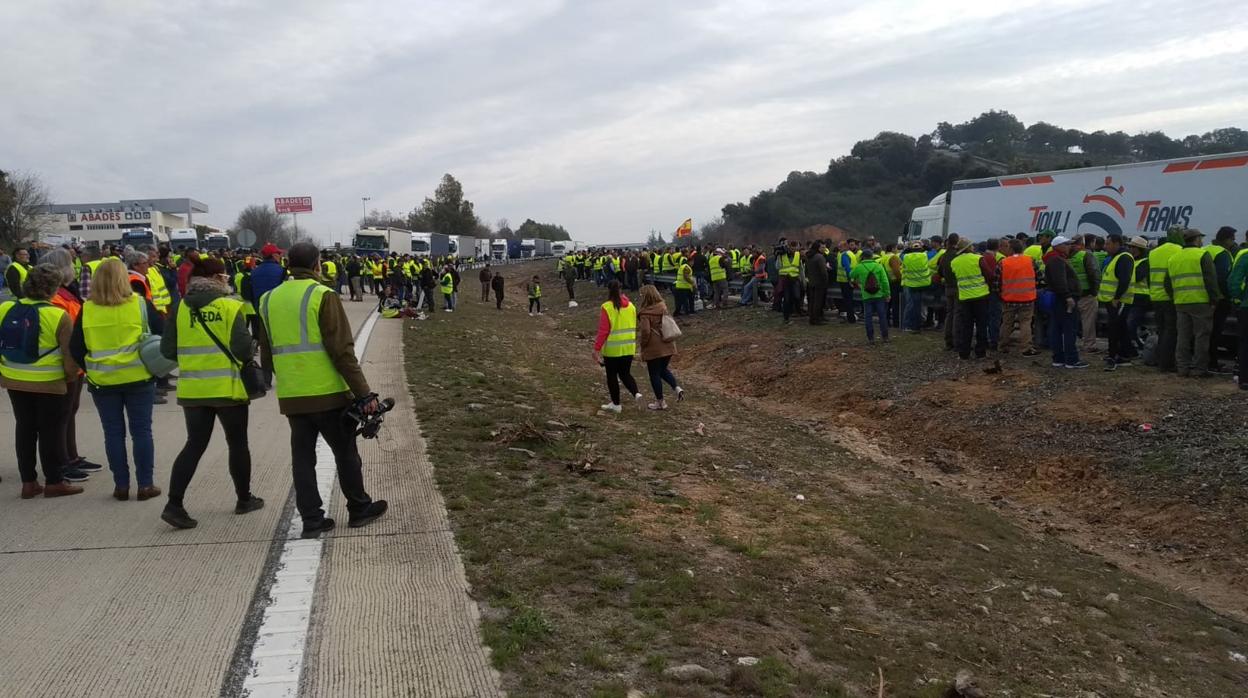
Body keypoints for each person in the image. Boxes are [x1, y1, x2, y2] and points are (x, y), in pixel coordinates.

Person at [258, 242, 387, 539]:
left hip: (293, 395)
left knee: (302, 459)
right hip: (328, 393)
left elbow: (266, 353)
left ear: (288, 264)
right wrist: (363, 393)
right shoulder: (323, 295)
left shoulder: (267, 300)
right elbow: (342, 351)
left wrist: (288, 379)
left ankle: (312, 520)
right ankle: (358, 508)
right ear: (317, 265)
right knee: (345, 453)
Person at [158, 257, 264, 529]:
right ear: (218, 278)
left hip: (193, 389)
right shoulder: (229, 307)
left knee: (194, 445)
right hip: (227, 389)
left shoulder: (181, 308)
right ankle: (244, 499)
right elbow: (242, 349)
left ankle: (174, 503)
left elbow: (168, 351)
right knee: (237, 443)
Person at [70, 258, 164, 500]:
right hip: (139, 378)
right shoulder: (141, 304)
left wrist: (91, 369)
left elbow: (76, 347)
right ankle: (145, 485)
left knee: (113, 434)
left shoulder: (87, 309)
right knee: (142, 431)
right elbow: (161, 335)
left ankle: (121, 486)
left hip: (103, 381)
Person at [2, 264, 84, 498]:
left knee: (25, 428)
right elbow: (70, 357)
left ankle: (28, 482)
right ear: (54, 289)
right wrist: (70, 379)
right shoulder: (58, 315)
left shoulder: (6, 308)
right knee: (52, 431)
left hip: (15, 379)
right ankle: (54, 481)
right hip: (50, 382)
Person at [40, 249, 100, 481]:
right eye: (69, 264)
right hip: (65, 363)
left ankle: (72, 456)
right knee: (62, 414)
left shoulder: (67, 293)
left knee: (70, 410)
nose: (74, 268)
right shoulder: (57, 298)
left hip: (75, 361)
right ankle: (63, 460)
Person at [1166, 228, 1219, 378]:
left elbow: (1167, 283)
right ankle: (1199, 369)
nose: (1201, 241)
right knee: (1201, 336)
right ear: (1196, 239)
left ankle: (1182, 368)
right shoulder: (1202, 254)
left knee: (1183, 336)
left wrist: (1175, 296)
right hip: (1200, 302)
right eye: (1200, 238)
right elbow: (1210, 279)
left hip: (1181, 303)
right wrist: (1214, 299)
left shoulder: (1174, 258)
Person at [593, 280, 641, 413]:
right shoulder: (631, 306)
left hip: (612, 350)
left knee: (612, 376)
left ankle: (616, 404)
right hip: (629, 347)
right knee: (625, 373)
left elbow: (603, 331)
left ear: (609, 290)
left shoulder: (607, 307)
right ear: (621, 290)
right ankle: (636, 393)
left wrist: (596, 349)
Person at [636, 284, 684, 410]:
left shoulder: (645, 313)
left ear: (645, 296)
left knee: (654, 374)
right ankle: (677, 388)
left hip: (654, 347)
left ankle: (660, 401)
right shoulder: (663, 307)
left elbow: (646, 331)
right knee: (663, 370)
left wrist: (643, 344)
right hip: (668, 344)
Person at [1044, 236, 1086, 369]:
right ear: (1060, 246)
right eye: (1067, 244)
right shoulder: (1057, 260)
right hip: (1064, 299)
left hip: (1059, 298)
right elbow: (1060, 281)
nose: (1070, 247)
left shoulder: (1054, 258)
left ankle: (1059, 358)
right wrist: (1068, 297)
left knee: (1057, 328)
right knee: (1068, 329)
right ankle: (1071, 360)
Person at [1147, 228, 1184, 372]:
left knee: (1162, 330)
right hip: (1170, 297)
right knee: (1171, 331)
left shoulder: (1154, 252)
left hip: (1155, 296)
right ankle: (1167, 364)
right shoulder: (1179, 250)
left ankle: (1160, 360)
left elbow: (1150, 276)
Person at [1098, 234, 1136, 370]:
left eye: (1108, 244)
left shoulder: (1124, 258)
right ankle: (1125, 355)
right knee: (1121, 327)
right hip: (1113, 300)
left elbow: (1124, 280)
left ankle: (1113, 357)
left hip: (1119, 300)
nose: (1105, 247)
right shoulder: (1116, 257)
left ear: (1117, 243)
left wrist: (1117, 297)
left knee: (1114, 328)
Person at [949, 239, 990, 359]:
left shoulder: (954, 262)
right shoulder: (978, 258)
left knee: (966, 326)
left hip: (964, 297)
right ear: (968, 247)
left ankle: (964, 352)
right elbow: (988, 274)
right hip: (980, 296)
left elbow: (954, 277)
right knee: (981, 324)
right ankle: (980, 351)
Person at [997, 240, 1037, 356]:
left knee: (1006, 323)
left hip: (1008, 299)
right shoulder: (1030, 261)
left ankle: (1003, 346)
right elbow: (1039, 276)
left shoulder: (1003, 262)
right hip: (1027, 298)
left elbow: (996, 281)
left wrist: (1000, 294)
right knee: (1025, 323)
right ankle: (1026, 348)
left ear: (1011, 249)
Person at [1206, 226, 1236, 372]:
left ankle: (1205, 360)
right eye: (1232, 239)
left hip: (1203, 297)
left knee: (1205, 332)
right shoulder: (1223, 254)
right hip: (1219, 299)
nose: (1234, 243)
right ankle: (1213, 362)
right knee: (1216, 331)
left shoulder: (1205, 249)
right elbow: (1223, 278)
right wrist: (1227, 296)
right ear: (1225, 239)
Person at [851, 249, 890, 344]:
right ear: (872, 256)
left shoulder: (859, 267)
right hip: (879, 295)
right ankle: (885, 337)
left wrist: (857, 281)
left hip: (866, 296)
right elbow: (885, 281)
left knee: (868, 317)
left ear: (863, 257)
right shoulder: (879, 266)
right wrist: (887, 294)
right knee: (882, 316)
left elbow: (851, 275)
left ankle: (871, 338)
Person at [1226, 241, 1248, 390]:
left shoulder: (1245, 256)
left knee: (1245, 342)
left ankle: (1245, 379)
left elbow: (1234, 280)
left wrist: (1238, 299)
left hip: (1246, 306)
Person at [900, 241, 930, 332]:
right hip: (923, 284)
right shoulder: (924, 255)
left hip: (911, 284)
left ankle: (909, 325)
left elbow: (901, 254)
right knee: (920, 306)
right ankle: (918, 325)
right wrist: (924, 245)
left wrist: (908, 248)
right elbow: (932, 251)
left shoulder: (906, 257)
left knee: (912, 305)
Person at [778, 239, 802, 325]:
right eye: (792, 248)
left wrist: (802, 279)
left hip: (795, 279)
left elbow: (800, 268)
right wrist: (778, 255)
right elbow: (777, 266)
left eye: (795, 248)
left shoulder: (798, 255)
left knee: (796, 297)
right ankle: (786, 317)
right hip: (785, 279)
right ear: (789, 247)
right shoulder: (782, 255)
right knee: (787, 299)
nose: (794, 250)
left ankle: (795, 312)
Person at [804, 241, 828, 325]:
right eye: (822, 247)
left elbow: (806, 269)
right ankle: (816, 319)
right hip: (819, 282)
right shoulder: (819, 257)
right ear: (818, 248)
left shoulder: (808, 256)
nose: (824, 249)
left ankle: (812, 318)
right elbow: (823, 272)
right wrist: (826, 281)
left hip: (811, 281)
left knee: (812, 301)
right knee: (818, 302)